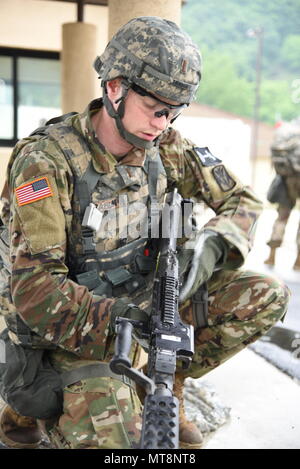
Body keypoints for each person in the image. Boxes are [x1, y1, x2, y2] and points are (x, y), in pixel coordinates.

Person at [0, 16, 290, 449]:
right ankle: (26, 410)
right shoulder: (47, 162)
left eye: (175, 110)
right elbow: (37, 293)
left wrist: (212, 246)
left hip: (144, 306)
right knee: (121, 444)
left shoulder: (166, 145)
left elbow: (243, 201)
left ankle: (165, 380)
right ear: (115, 87)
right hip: (73, 330)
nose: (164, 122)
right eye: (156, 108)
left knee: (266, 294)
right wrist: (134, 333)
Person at [265, 119, 300, 269]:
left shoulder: (288, 131)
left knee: (282, 217)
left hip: (287, 180)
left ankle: (271, 256)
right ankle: (298, 261)